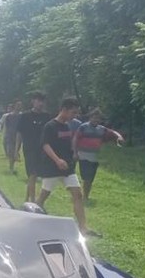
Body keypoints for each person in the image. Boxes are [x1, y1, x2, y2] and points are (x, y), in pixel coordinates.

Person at [36, 97, 99, 237]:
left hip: (68, 168)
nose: (75, 116)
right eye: (73, 112)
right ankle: (31, 216)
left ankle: (83, 228)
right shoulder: (50, 126)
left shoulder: (67, 126)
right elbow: (45, 145)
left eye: (76, 113)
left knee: (77, 194)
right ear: (63, 110)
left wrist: (73, 154)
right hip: (51, 167)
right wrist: (57, 160)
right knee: (43, 196)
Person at [74, 108, 125, 201]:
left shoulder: (101, 129)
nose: (96, 120)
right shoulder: (83, 127)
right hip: (83, 156)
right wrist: (75, 152)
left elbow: (113, 132)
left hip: (94, 157)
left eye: (98, 119)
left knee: (90, 179)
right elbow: (75, 139)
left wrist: (119, 137)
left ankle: (85, 195)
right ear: (90, 118)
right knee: (87, 178)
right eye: (94, 118)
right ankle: (84, 197)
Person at [17, 92, 51, 202]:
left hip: (42, 149)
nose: (40, 103)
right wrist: (16, 149)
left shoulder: (46, 116)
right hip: (29, 148)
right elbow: (19, 133)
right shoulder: (25, 116)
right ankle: (32, 201)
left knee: (35, 175)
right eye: (38, 100)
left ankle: (27, 198)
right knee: (32, 173)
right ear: (33, 101)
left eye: (42, 101)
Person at [0, 101, 24, 174]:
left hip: (19, 136)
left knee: (15, 151)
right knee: (10, 152)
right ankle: (11, 167)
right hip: (10, 136)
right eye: (18, 105)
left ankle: (12, 166)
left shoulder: (22, 116)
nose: (19, 107)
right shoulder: (9, 116)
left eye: (20, 105)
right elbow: (7, 127)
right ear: (15, 106)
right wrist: (6, 135)